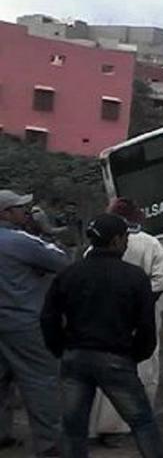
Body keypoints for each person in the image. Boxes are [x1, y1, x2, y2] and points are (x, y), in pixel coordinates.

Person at [41, 214, 163, 458]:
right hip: (116, 359)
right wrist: (136, 355)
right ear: (117, 240)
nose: (127, 245)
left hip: (75, 358)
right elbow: (146, 326)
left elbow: (49, 317)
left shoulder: (70, 274)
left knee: (74, 429)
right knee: (142, 423)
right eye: (125, 239)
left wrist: (60, 349)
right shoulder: (134, 277)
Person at [88, 199, 163, 446]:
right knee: (144, 367)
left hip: (104, 315)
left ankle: (101, 428)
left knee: (106, 366)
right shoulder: (150, 243)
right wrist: (140, 298)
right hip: (142, 315)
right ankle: (126, 428)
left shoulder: (97, 244)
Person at [0, 190, 71, 457]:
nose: (26, 212)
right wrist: (45, 231)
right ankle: (50, 444)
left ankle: (3, 436)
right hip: (24, 323)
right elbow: (63, 262)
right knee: (40, 381)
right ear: (5, 213)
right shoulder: (21, 241)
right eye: (20, 208)